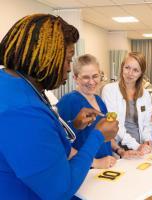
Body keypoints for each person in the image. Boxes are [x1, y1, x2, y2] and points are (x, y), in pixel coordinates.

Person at [0, 14, 118, 199]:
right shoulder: (22, 112)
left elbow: (43, 145)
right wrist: (98, 136)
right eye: (68, 59)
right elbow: (60, 189)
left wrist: (74, 125)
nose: (70, 68)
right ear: (46, 57)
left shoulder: (12, 84)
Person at [57, 54, 142, 167]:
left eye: (95, 76)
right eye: (86, 77)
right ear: (75, 78)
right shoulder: (68, 102)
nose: (92, 82)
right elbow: (60, 145)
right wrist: (95, 163)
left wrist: (120, 151)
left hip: (106, 166)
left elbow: (105, 136)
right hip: (84, 170)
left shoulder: (99, 101)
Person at [102, 52, 152, 154]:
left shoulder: (145, 94)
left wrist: (147, 140)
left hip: (141, 147)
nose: (130, 73)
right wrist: (136, 146)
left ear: (141, 73)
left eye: (135, 70)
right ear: (122, 67)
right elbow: (115, 124)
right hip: (118, 148)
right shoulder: (109, 90)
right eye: (127, 68)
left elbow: (147, 123)